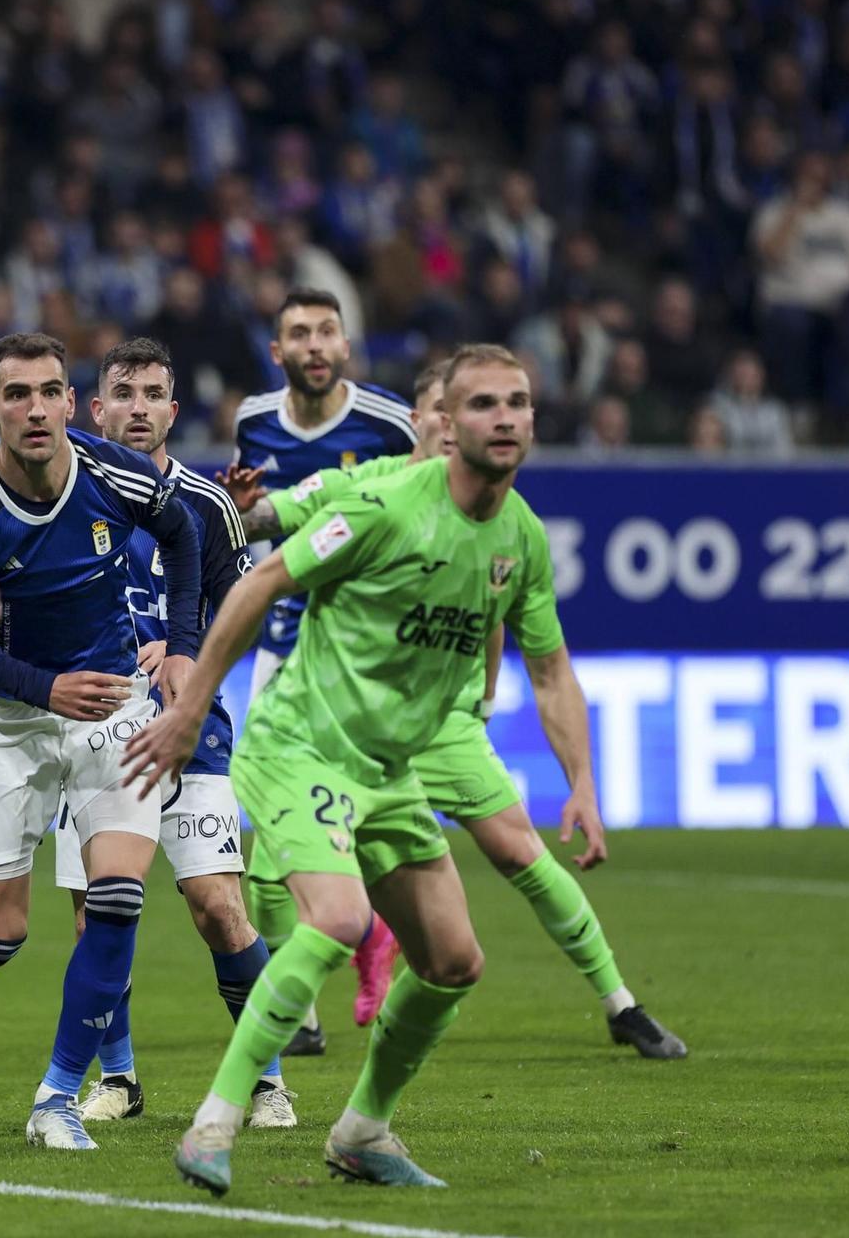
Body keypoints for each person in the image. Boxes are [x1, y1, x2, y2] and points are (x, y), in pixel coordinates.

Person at [124, 344, 609, 1195]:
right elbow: (261, 581)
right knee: (340, 917)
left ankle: (362, 1129)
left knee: (456, 959)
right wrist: (193, 704)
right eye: (485, 404)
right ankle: (214, 1121)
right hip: (301, 741)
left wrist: (583, 785)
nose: (505, 418)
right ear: (446, 424)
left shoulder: (521, 538)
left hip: (388, 766)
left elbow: (552, 669)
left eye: (520, 403)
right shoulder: (384, 502)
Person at [226, 361, 685, 1058]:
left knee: (518, 850)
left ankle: (621, 1000)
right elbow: (274, 517)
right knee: (267, 874)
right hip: (343, 718)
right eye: (445, 409)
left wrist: (492, 705)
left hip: (441, 722)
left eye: (484, 407)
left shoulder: (499, 516)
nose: (460, 423)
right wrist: (238, 506)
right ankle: (306, 1018)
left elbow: (505, 620)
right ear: (421, 419)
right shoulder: (368, 486)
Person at [0, 338, 296, 1130]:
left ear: (69, 400)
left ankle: (59, 1097)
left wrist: (184, 649)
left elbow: (187, 537)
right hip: (5, 714)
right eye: (17, 394)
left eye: (50, 390)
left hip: (119, 703)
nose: (37, 407)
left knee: (120, 897)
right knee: (0, 929)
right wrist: (47, 687)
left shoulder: (118, 475)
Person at [229, 286, 417, 1055]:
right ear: (277, 352)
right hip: (282, 646)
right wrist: (244, 510)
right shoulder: (252, 420)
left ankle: (377, 946)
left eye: (326, 331)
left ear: (346, 345)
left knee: (363, 826)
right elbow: (254, 523)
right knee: (262, 828)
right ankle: (310, 1004)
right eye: (298, 333)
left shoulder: (389, 424)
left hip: (363, 656)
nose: (313, 344)